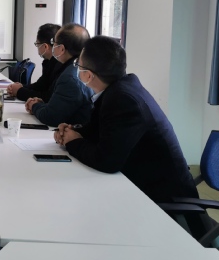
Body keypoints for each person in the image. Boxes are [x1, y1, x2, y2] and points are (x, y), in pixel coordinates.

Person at [54, 36, 199, 203]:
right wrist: (73, 131)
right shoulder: (119, 89)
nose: (77, 69)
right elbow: (102, 130)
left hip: (164, 199)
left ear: (88, 75)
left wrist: (73, 142)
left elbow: (106, 161)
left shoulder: (123, 100)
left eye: (78, 66)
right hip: (139, 181)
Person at [26, 23, 93, 127]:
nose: (52, 46)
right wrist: (44, 104)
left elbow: (50, 117)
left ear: (61, 49)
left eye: (54, 43)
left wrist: (34, 105)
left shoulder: (69, 77)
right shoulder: (82, 67)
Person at [7, 23, 61, 101]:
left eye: (37, 44)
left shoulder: (59, 66)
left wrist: (19, 91)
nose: (37, 47)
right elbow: (40, 86)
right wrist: (21, 87)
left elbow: (47, 97)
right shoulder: (49, 63)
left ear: (45, 46)